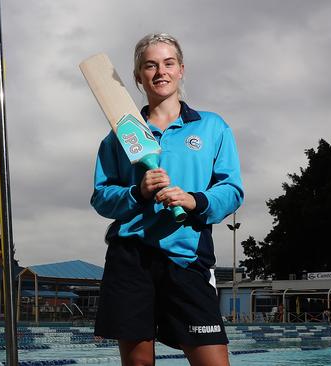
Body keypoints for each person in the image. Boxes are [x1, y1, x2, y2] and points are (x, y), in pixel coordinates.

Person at [90, 33, 244, 366]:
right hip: (131, 258)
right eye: (150, 65)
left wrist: (194, 200)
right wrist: (137, 192)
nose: (161, 71)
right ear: (137, 76)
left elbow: (232, 190)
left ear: (181, 69)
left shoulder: (211, 127)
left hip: (187, 256)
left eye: (168, 63)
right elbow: (101, 197)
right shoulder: (120, 135)